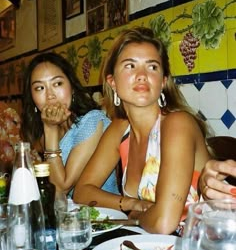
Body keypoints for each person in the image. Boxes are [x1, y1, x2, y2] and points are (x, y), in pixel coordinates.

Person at [73, 26, 211, 235]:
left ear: (163, 82)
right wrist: (130, 204)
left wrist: (136, 217)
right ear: (112, 82)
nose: (142, 75)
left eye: (152, 67)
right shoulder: (120, 129)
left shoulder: (178, 124)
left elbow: (164, 223)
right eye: (130, 65)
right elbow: (82, 192)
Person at [21, 52, 120, 197]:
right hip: (66, 217)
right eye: (40, 88)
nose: (50, 95)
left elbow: (61, 189)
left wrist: (50, 129)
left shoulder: (92, 121)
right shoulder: (41, 131)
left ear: (72, 87)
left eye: (57, 84)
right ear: (32, 97)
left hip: (104, 216)